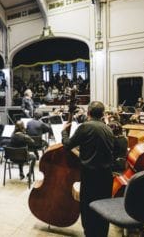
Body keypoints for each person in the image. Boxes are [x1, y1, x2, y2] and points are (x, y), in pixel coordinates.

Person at [61, 101, 114, 237]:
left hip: (91, 176)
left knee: (88, 209)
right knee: (103, 208)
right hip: (107, 176)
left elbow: (67, 145)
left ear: (88, 113)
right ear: (102, 114)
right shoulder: (108, 129)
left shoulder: (85, 127)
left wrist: (63, 132)